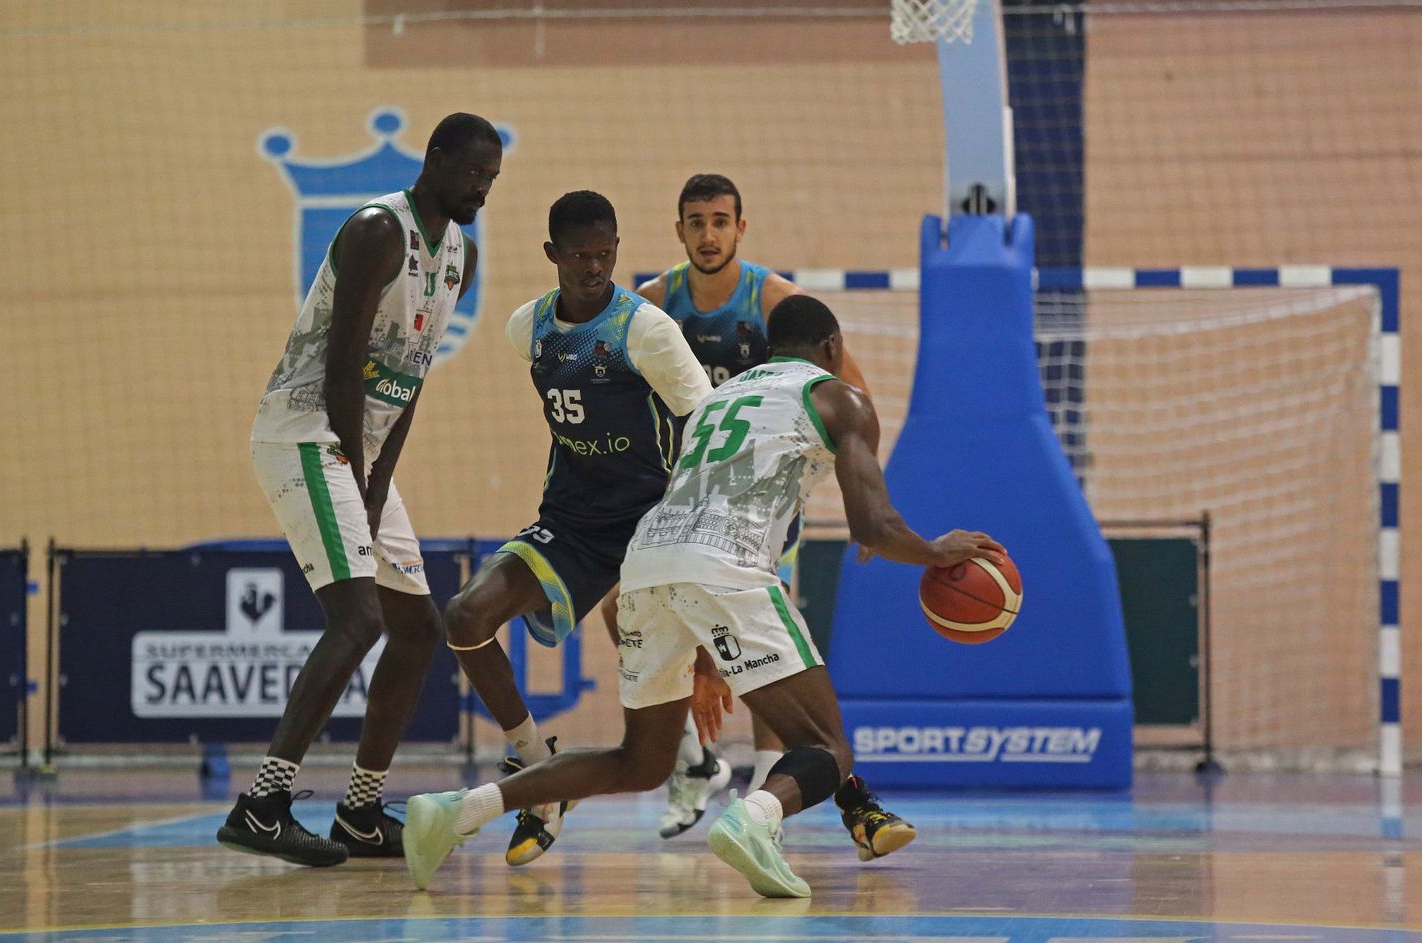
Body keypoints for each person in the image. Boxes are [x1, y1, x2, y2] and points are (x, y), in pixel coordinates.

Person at [404, 294, 1006, 898]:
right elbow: (872, 528)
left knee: (639, 762)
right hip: (729, 563)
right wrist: (933, 550)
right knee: (827, 747)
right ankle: (753, 820)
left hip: (645, 562)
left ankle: (457, 810)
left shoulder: (720, 399)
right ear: (833, 349)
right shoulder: (838, 397)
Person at [220, 112, 502, 867]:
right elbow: (343, 365)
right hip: (307, 429)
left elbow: (408, 385)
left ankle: (359, 812)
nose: (482, 185)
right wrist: (355, 463)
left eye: (492, 177)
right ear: (435, 159)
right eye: (473, 170)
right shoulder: (380, 229)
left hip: (362, 447)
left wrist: (378, 477)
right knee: (358, 620)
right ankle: (264, 802)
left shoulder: (460, 258)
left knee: (416, 629)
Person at [606, 173, 911, 860]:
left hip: (755, 512)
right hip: (679, 497)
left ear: (741, 228)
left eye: (721, 220)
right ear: (678, 231)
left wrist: (864, 500)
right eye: (696, 222)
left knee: (766, 675)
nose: (709, 233)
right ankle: (699, 770)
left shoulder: (776, 300)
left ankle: (767, 799)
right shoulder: (649, 306)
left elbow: (854, 397)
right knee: (620, 611)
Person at [440, 190, 712, 867]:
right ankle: (537, 767)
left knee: (693, 662)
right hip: (572, 522)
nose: (595, 267)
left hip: (654, 526)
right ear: (552, 255)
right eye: (581, 256)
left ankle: (741, 773)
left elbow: (707, 427)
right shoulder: (525, 328)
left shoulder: (645, 330)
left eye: (606, 253)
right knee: (465, 615)